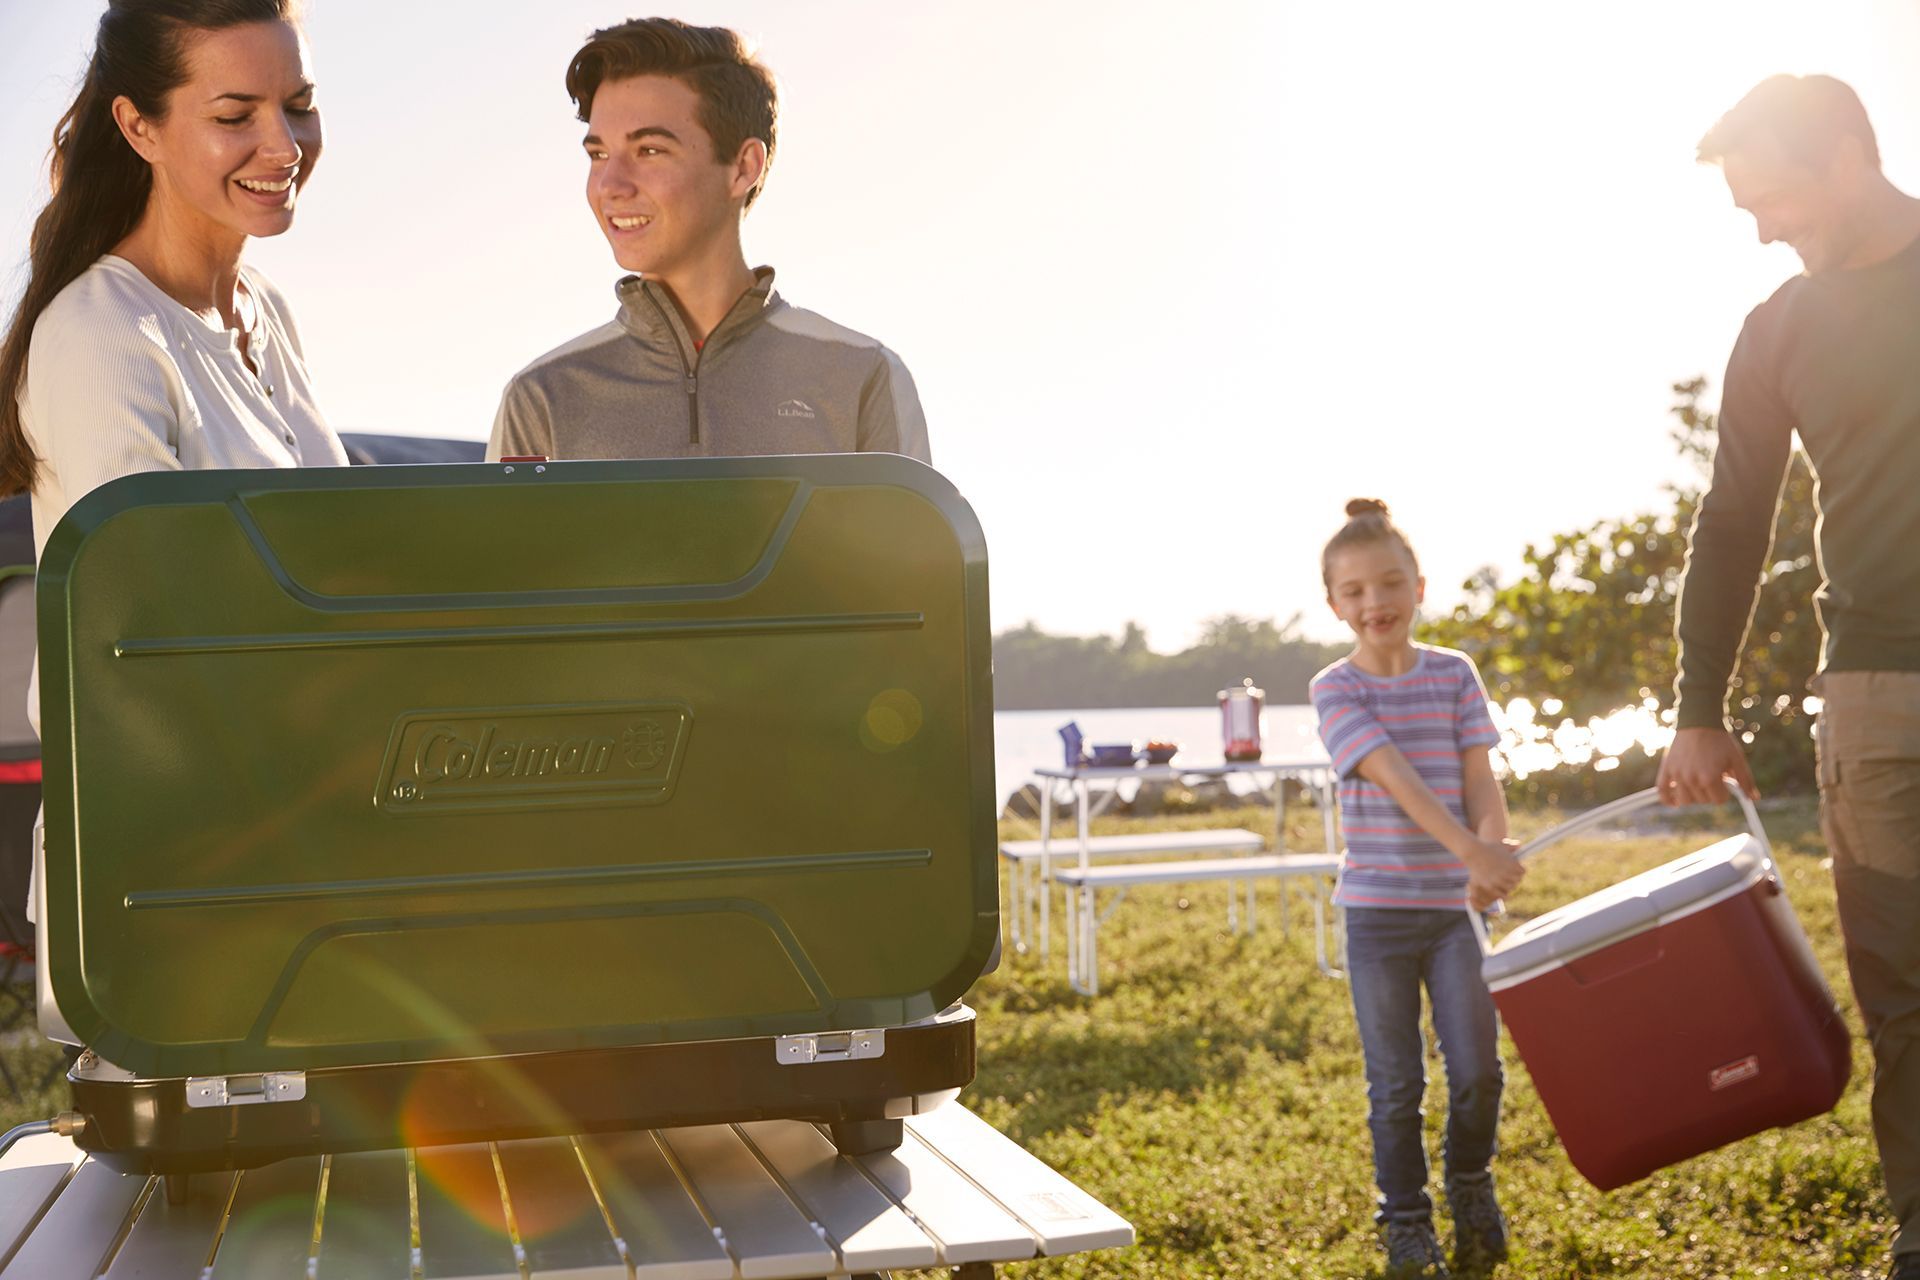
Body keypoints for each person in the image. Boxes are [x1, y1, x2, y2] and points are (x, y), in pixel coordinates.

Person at [0, 0, 347, 1042]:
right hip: (168, 902)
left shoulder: (266, 315)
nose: (282, 145)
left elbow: (336, 564)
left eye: (299, 105)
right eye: (235, 113)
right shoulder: (102, 339)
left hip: (297, 878)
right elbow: (148, 653)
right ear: (140, 128)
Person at [1658, 74, 1920, 1280]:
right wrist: (1698, 705)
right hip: (1874, 696)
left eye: (1777, 201)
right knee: (1901, 980)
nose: (1763, 230)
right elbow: (1731, 524)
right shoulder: (1776, 330)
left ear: (1851, 158)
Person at [486, 17, 930, 465]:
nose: (610, 186)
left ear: (742, 167)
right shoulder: (541, 398)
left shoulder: (860, 376)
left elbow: (909, 538)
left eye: (650, 150)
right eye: (598, 154)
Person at [1310, 499, 1524, 1279]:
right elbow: (1396, 779)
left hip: (1455, 915)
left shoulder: (1454, 673)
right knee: (1396, 1083)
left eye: (1390, 583)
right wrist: (1470, 847)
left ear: (1420, 585)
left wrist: (1491, 848)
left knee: (1477, 1072)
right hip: (1376, 917)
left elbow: (1480, 776)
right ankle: (1406, 1221)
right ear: (1334, 604)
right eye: (1356, 591)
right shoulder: (1334, 689)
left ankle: (1470, 1182)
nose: (1376, 603)